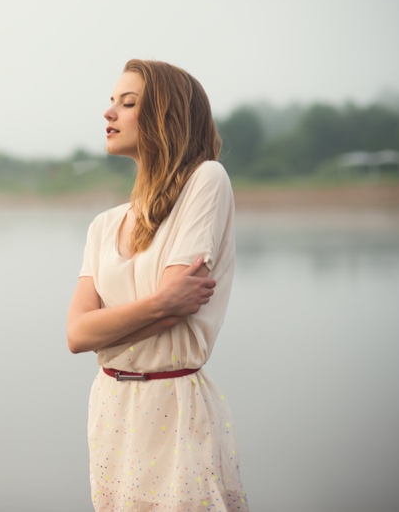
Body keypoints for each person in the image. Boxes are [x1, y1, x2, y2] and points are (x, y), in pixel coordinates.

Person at [67, 60, 249, 511]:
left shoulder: (206, 180)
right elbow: (76, 336)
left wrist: (107, 327)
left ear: (164, 118)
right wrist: (161, 302)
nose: (109, 113)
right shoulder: (102, 225)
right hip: (111, 405)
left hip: (173, 400)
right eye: (111, 103)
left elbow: (177, 309)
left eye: (127, 103)